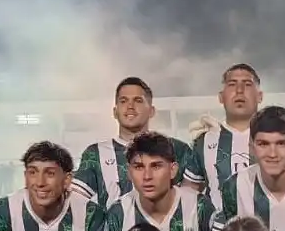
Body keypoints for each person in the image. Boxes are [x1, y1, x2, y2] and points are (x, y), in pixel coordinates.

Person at [188, 64, 285, 208]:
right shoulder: (203, 141)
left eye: (247, 84)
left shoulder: (284, 137)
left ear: (260, 96)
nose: (239, 91)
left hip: (273, 227)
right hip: (220, 229)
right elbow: (188, 195)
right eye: (232, 84)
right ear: (221, 97)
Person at [71, 76, 202, 209]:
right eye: (123, 101)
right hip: (115, 230)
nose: (130, 106)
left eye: (138, 100)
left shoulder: (177, 149)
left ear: (151, 111)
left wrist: (205, 143)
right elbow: (76, 202)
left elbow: (192, 198)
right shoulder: (95, 154)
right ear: (115, 112)